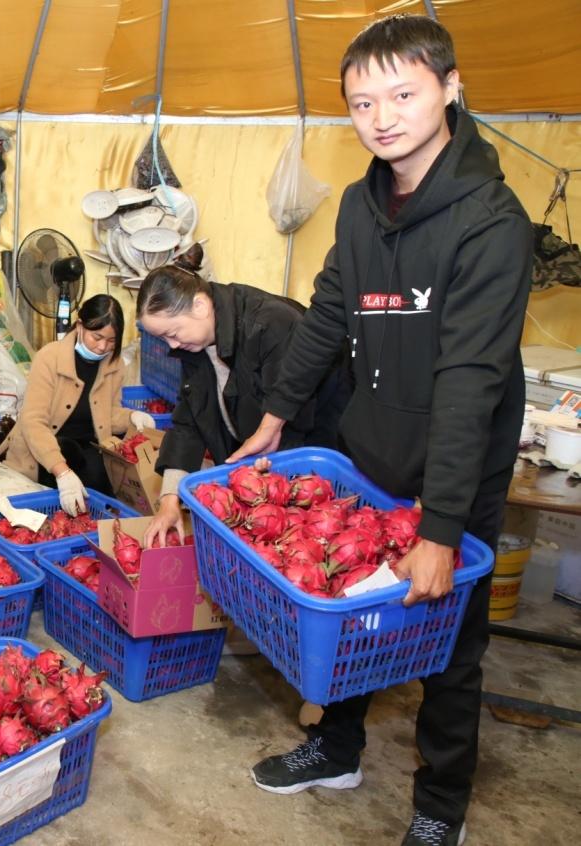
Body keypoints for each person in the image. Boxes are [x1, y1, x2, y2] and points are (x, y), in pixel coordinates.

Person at [228, 16, 532, 846]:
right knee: (352, 613)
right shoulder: (361, 206)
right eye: (362, 103)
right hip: (370, 455)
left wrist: (441, 528)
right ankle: (335, 751)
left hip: (456, 470)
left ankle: (439, 809)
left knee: (449, 648)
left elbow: (470, 379)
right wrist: (272, 416)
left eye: (402, 94)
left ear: (450, 87)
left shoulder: (491, 222)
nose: (382, 118)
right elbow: (328, 313)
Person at [135, 249, 349, 548]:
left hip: (314, 458)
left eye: (173, 332)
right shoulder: (195, 344)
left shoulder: (271, 324)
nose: (172, 345)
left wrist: (266, 499)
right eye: (163, 339)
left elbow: (291, 425)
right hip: (263, 466)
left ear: (199, 306)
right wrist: (169, 499)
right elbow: (189, 420)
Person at [0, 294, 148, 515]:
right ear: (80, 326)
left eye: (111, 341)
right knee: (58, 493)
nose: (102, 347)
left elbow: (107, 413)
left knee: (101, 487)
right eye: (97, 337)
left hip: (86, 449)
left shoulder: (115, 365)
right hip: (43, 450)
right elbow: (33, 421)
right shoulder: (49, 358)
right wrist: (62, 472)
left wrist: (131, 417)